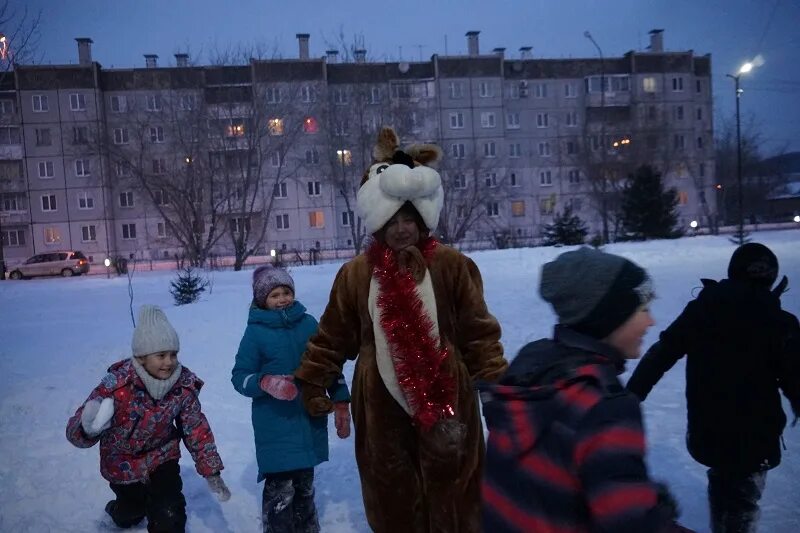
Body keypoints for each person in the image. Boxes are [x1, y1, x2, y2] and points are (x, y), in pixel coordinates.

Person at [293, 127, 507, 532]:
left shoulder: (452, 266)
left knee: (454, 494)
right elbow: (332, 334)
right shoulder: (355, 274)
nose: (402, 228)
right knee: (392, 496)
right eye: (392, 219)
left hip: (449, 401)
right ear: (376, 221)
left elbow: (479, 332)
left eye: (410, 218)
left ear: (423, 217)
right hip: (380, 407)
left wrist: (494, 386)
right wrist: (312, 380)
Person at [481, 247, 692, 533]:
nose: (650, 321)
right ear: (608, 318)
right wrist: (655, 515)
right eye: (642, 309)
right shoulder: (604, 407)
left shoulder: (533, 371)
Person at [627, 242, 800, 533]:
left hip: (708, 429)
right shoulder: (779, 322)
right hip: (755, 437)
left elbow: (663, 352)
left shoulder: (703, 309)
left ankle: (724, 510)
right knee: (741, 503)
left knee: (726, 482)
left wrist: (630, 396)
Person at [66, 305, 229, 532]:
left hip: (162, 457)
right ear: (141, 358)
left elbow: (196, 428)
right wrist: (87, 429)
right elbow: (77, 431)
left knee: (169, 513)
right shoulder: (117, 385)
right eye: (161, 355)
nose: (169, 362)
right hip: (122, 463)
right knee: (132, 511)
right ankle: (118, 511)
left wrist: (211, 469)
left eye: (173, 354)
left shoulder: (182, 386)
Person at [231, 265, 350, 533]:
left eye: (286, 292)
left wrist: (341, 400)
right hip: (275, 425)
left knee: (305, 487)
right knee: (280, 491)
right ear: (262, 299)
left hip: (308, 420)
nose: (282, 299)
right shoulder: (256, 332)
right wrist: (265, 382)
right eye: (274, 294)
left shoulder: (308, 323)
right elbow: (240, 376)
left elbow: (326, 365)